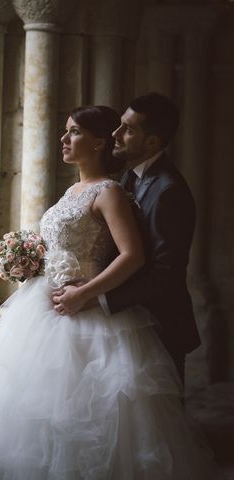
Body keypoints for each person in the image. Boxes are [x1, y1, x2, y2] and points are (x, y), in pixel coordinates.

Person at [0, 105, 220, 479]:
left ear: (97, 142)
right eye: (66, 131)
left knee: (91, 420)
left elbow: (134, 256)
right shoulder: (81, 188)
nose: (64, 139)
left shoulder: (111, 191)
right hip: (45, 309)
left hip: (89, 312)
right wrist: (30, 258)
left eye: (73, 132)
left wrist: (87, 294)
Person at [54, 93, 198, 385]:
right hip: (120, 315)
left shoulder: (168, 191)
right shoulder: (128, 178)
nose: (115, 134)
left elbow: (164, 273)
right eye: (118, 125)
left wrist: (95, 297)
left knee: (156, 419)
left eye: (128, 129)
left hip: (159, 321)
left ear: (153, 142)